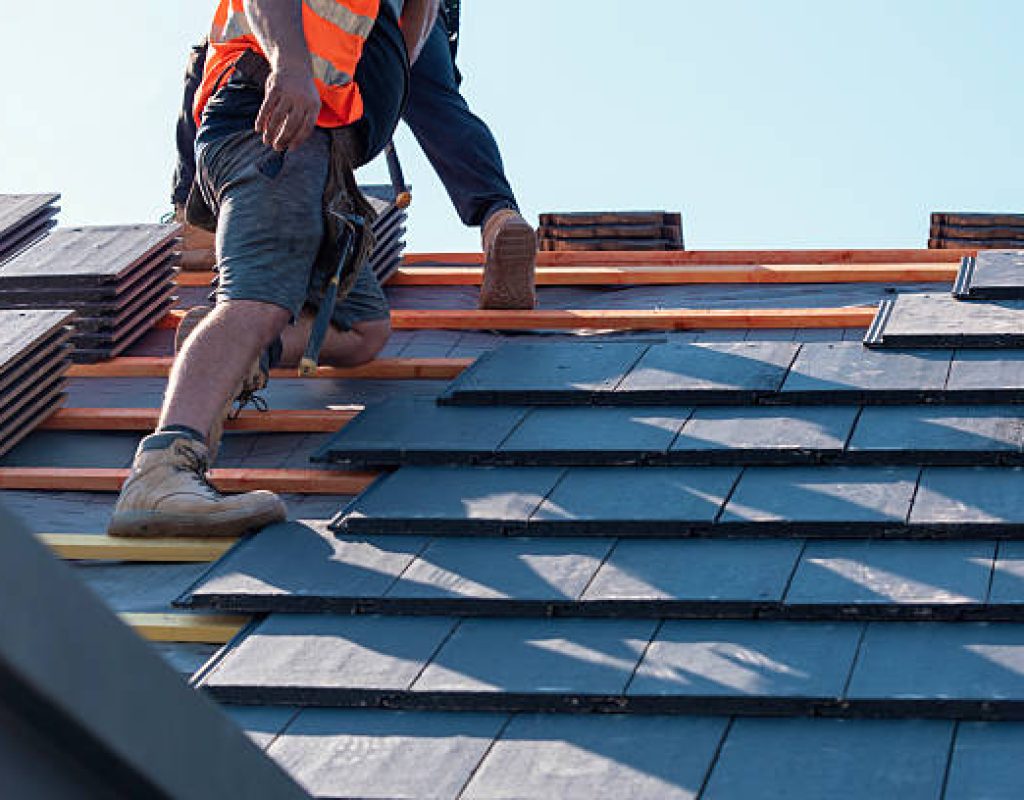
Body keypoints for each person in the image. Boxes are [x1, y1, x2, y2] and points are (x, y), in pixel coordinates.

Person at [108, 0, 437, 539]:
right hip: (272, 120)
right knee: (257, 301)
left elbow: (406, 32)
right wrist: (289, 64)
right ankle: (162, 471)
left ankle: (243, 351)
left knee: (362, 329)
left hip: (319, 152)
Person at [171, 2, 537, 311]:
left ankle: (192, 223)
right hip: (403, 21)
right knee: (439, 105)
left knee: (212, 61)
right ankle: (498, 218)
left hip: (329, 19)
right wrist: (393, 86)